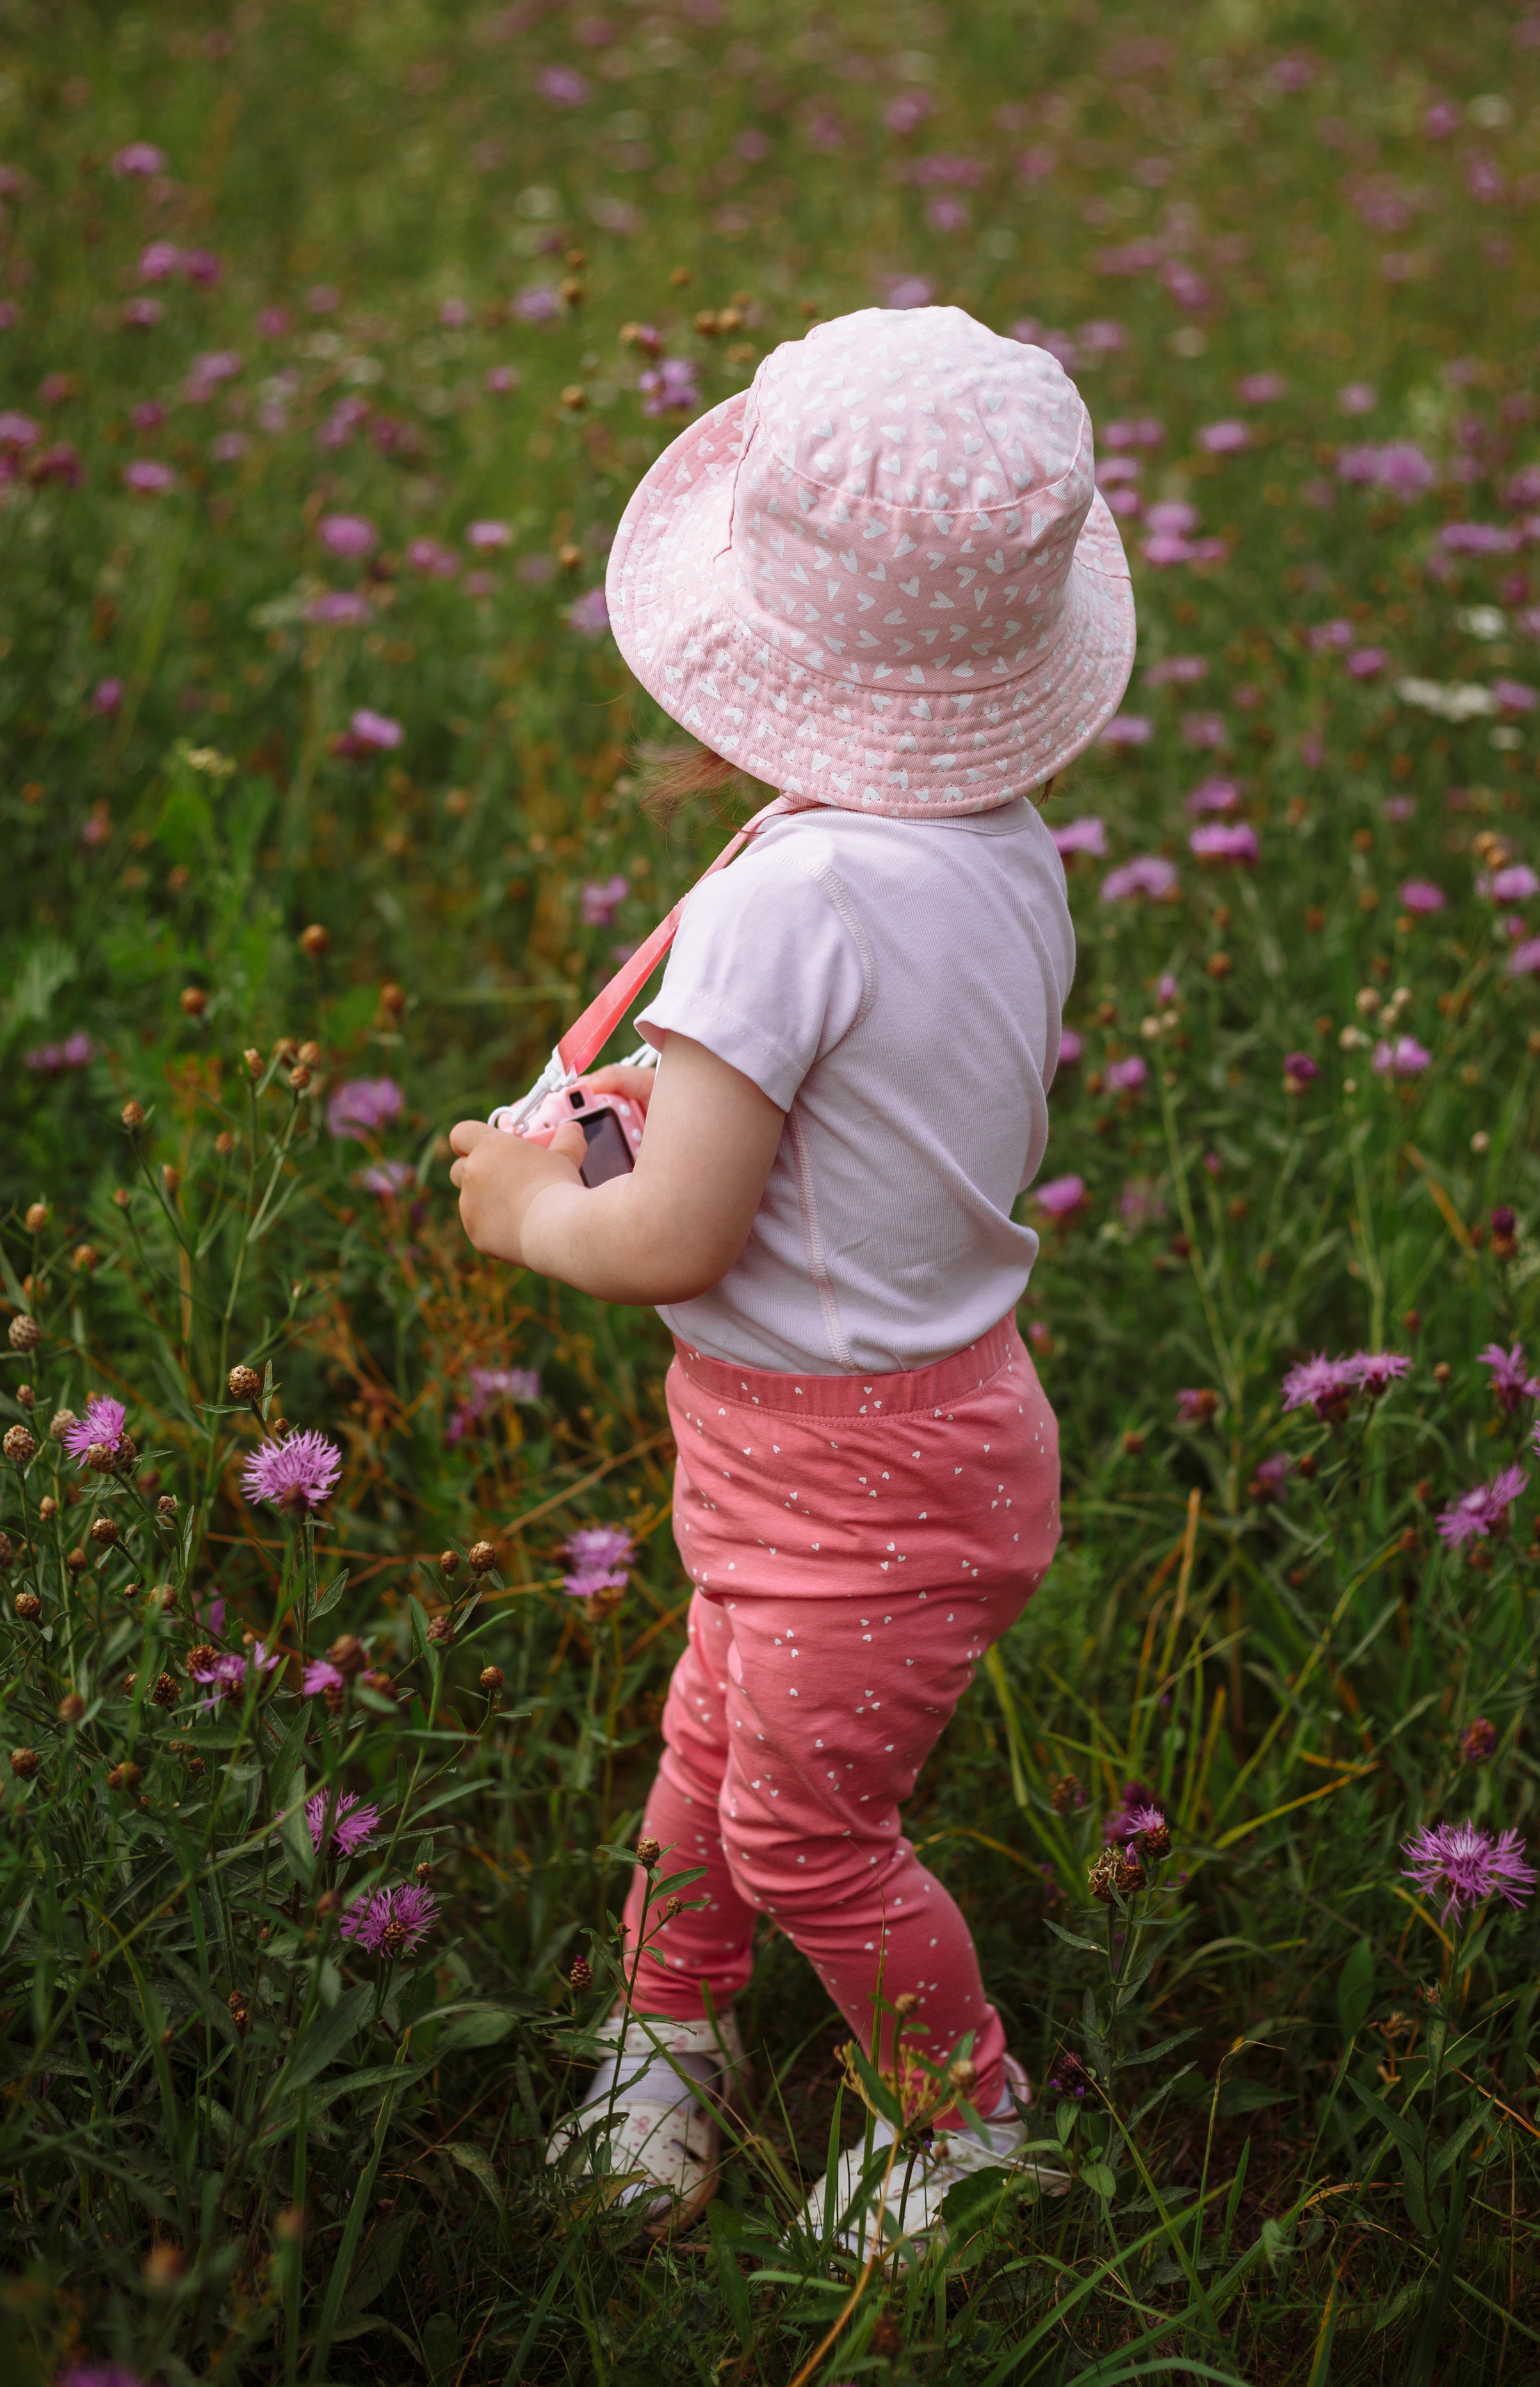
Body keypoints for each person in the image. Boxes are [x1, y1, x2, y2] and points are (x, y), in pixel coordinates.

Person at [448, 303, 1135, 2244]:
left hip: (850, 1469)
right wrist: (637, 1127)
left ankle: (964, 2116)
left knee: (806, 1830)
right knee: (718, 1735)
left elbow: (674, 1232)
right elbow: (840, 1148)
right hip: (907, 1428)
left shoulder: (778, 906)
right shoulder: (998, 843)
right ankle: (668, 2029)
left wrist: (527, 1206)